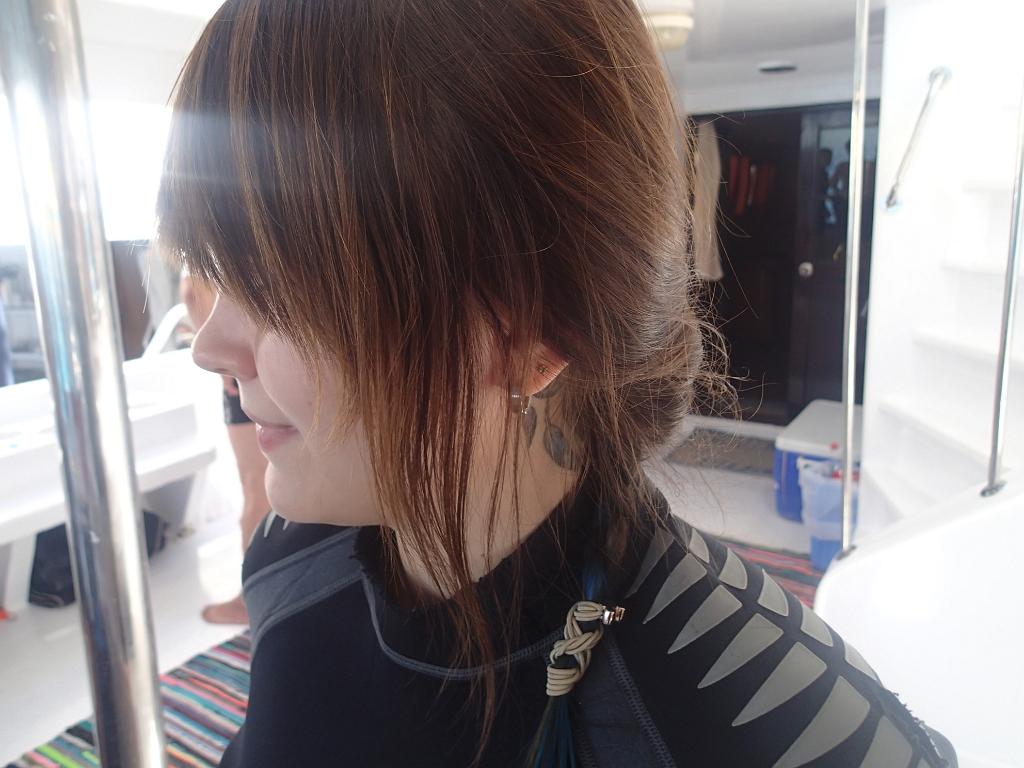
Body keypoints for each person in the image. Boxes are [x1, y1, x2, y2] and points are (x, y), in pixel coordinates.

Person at [156, 0, 956, 766]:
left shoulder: (776, 730)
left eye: (276, 288)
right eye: (217, 271)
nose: (210, 348)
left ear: (532, 335)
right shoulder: (288, 556)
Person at [180, 274, 270, 624]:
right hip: (278, 350)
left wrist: (225, 360)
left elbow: (192, 289)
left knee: (257, 484)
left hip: (246, 364)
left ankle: (251, 599)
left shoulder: (202, 246)